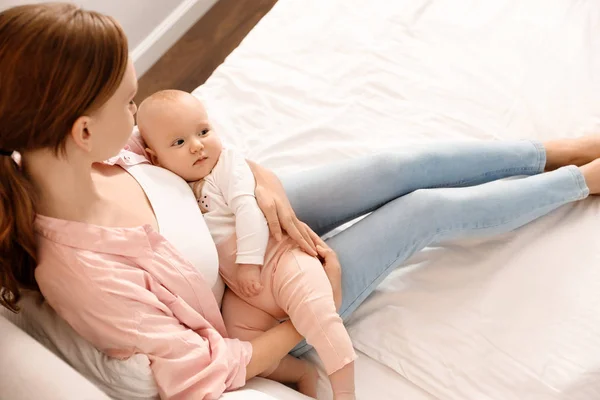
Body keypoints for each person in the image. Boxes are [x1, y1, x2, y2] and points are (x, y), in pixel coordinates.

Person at [1, 3, 600, 400]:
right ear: (81, 130)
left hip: (236, 217)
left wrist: (267, 188)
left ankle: (554, 152)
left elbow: (204, 156)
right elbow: (201, 370)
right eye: (130, 103)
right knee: (422, 211)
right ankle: (585, 182)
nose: (139, 111)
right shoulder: (86, 272)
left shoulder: (108, 153)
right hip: (261, 305)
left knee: (398, 167)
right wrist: (311, 310)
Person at [136, 89, 355, 399]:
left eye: (203, 131)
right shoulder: (175, 186)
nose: (197, 146)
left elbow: (248, 211)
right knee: (245, 349)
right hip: (243, 294)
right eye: (180, 142)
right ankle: (301, 372)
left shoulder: (226, 165)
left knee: (321, 316)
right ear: (156, 157)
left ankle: (345, 392)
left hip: (277, 260)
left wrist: (249, 264)